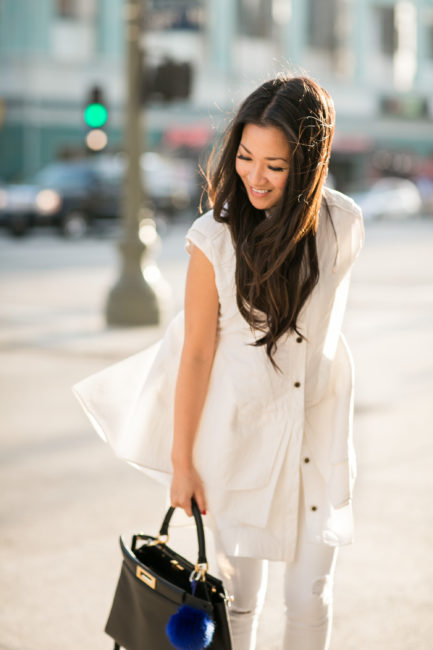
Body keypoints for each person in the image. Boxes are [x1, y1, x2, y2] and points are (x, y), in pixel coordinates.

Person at [73, 75, 364, 650]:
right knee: (235, 602)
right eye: (246, 157)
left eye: (276, 166)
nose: (255, 176)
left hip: (315, 439)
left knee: (310, 597)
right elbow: (198, 353)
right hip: (238, 439)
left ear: (307, 167)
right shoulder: (215, 239)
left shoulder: (343, 225)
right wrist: (182, 463)